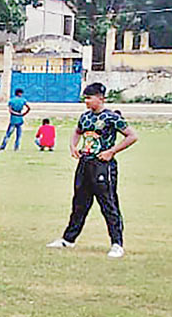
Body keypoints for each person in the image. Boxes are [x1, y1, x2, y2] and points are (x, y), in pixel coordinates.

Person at [49, 82, 138, 258]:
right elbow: (77, 131)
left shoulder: (112, 118)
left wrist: (112, 151)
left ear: (100, 98)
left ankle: (117, 243)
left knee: (108, 204)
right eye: (85, 98)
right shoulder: (85, 117)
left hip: (102, 165)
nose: (86, 102)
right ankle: (68, 239)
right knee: (79, 203)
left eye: (89, 98)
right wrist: (73, 146)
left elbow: (132, 136)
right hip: (85, 163)